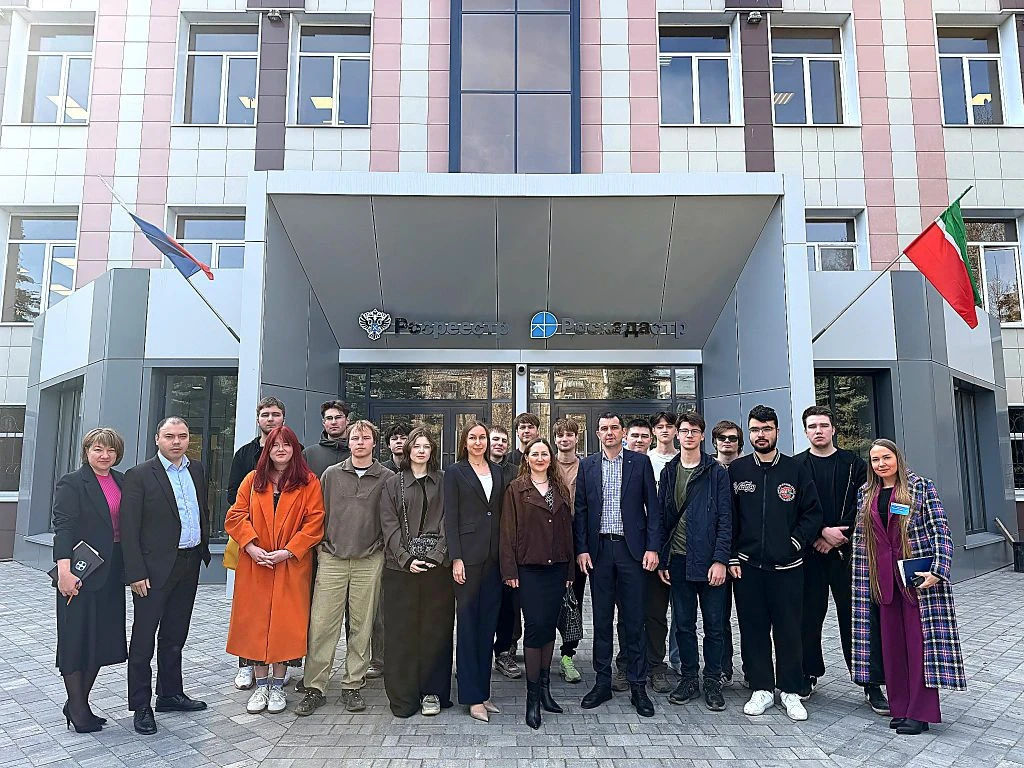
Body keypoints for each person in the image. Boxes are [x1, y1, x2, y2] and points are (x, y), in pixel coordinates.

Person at [851, 439, 966, 735]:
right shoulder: (866, 493)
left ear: (897, 458)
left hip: (916, 579)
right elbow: (862, 538)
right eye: (875, 460)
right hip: (882, 580)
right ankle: (900, 708)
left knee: (919, 647)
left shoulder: (921, 487)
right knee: (892, 648)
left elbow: (940, 530)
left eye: (886, 457)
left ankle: (921, 712)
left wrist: (938, 569)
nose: (881, 464)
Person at [728, 405, 822, 722]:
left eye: (767, 429)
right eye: (755, 429)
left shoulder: (796, 470)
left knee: (789, 630)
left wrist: (794, 544)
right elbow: (729, 517)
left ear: (777, 432)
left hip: (788, 569)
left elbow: (812, 514)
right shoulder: (738, 470)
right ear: (749, 432)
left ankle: (790, 690)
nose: (761, 435)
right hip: (748, 567)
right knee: (753, 629)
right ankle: (762, 688)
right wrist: (732, 554)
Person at [121, 417, 212, 735]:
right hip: (152, 570)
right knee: (144, 638)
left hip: (188, 562)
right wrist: (135, 571)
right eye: (170, 436)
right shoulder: (139, 475)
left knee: (175, 635)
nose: (177, 441)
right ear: (157, 439)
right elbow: (129, 528)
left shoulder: (196, 469)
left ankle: (170, 694)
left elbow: (201, 509)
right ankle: (141, 704)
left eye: (182, 436)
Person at [225, 426, 325, 715]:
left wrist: (289, 551)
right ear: (267, 450)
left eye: (287, 445)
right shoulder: (252, 480)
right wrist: (251, 546)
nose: (281, 450)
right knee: (255, 623)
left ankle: (278, 685)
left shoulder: (308, 482)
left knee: (284, 623)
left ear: (295, 449)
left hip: (290, 564)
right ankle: (260, 686)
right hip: (256, 563)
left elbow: (315, 522)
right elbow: (236, 516)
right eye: (275, 445)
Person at [295, 420, 392, 716]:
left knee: (362, 625)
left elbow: (390, 519)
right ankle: (315, 686)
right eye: (355, 438)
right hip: (332, 559)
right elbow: (317, 514)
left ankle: (352, 685)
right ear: (347, 443)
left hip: (369, 560)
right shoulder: (331, 474)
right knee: (322, 624)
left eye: (365, 438)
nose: (360, 443)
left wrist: (379, 549)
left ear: (374, 442)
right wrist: (322, 547)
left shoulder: (387, 478)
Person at [795, 406, 888, 714]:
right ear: (805, 431)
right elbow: (794, 510)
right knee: (808, 616)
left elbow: (865, 504)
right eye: (812, 426)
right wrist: (819, 533)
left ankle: (869, 681)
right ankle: (808, 673)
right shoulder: (796, 466)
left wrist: (840, 534)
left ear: (833, 429)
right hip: (810, 554)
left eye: (823, 425)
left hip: (848, 554)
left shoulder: (855, 465)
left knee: (857, 617)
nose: (818, 430)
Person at [574, 412, 662, 717]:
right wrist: (582, 549)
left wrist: (653, 547)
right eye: (604, 428)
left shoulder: (640, 463)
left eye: (614, 428)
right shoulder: (588, 465)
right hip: (599, 552)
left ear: (623, 432)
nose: (609, 432)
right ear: (597, 434)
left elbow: (653, 508)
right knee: (601, 621)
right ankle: (602, 683)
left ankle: (638, 685)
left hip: (631, 552)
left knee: (634, 620)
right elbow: (581, 510)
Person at [52, 428, 128, 733]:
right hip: (80, 574)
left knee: (100, 640)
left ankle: (77, 704)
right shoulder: (72, 483)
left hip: (112, 573)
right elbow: (63, 527)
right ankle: (79, 709)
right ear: (87, 451)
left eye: (110, 450)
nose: (104, 455)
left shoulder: (122, 481)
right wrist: (64, 570)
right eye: (98, 449)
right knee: (75, 640)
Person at [657, 411, 732, 711]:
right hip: (678, 560)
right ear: (677, 435)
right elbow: (662, 519)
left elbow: (726, 520)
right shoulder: (669, 472)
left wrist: (721, 560)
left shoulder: (716, 473)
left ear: (702, 436)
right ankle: (689, 678)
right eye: (684, 431)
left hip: (710, 562)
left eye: (694, 431)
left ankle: (712, 680)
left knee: (714, 626)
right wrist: (663, 560)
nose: (689, 436)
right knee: (684, 626)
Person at [379, 427, 455, 718]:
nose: (421, 451)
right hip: (400, 569)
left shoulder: (445, 482)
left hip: (437, 569)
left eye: (426, 446)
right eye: (417, 446)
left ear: (432, 451)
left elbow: (450, 521)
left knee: (435, 632)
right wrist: (406, 558)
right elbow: (389, 524)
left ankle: (432, 691)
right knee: (401, 632)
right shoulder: (392, 483)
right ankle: (404, 696)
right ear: (408, 450)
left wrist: (437, 555)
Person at [501, 437, 575, 729]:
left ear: (551, 458)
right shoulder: (516, 489)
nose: (540, 458)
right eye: (535, 454)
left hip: (557, 568)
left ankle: (545, 690)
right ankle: (532, 698)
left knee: (549, 628)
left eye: (545, 453)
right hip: (528, 569)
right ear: (527, 458)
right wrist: (510, 569)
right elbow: (508, 532)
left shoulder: (559, 488)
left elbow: (568, 532)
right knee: (534, 628)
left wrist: (570, 571)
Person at [444, 421, 504, 722]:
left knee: (487, 626)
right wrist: (456, 558)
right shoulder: (455, 472)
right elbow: (450, 518)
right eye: (473, 437)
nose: (479, 442)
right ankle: (471, 696)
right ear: (464, 442)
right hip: (467, 558)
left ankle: (484, 691)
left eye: (483, 437)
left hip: (495, 558)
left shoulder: (498, 471)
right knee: (468, 626)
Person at [226, 396, 286, 692]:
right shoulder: (244, 455)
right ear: (258, 418)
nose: (270, 419)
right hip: (251, 542)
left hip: (283, 548)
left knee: (282, 610)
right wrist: (252, 538)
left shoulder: (296, 452)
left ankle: (279, 664)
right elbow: (232, 498)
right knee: (250, 609)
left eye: (275, 414)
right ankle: (246, 665)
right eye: (265, 414)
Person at [613, 416, 671, 693]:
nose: (639, 440)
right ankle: (626, 664)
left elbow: (659, 514)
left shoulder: (662, 466)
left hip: (655, 551)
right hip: (626, 552)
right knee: (626, 613)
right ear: (626, 437)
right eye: (634, 435)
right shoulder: (617, 465)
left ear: (651, 439)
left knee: (656, 613)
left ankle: (656, 666)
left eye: (644, 436)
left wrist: (656, 549)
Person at [494, 414, 539, 677]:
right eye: (522, 427)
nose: (498, 444)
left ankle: (507, 650)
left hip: (518, 542)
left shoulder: (516, 469)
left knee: (513, 601)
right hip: (487, 544)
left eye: (530, 427)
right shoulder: (486, 467)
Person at [712, 419, 744, 686]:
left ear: (739, 443)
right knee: (718, 617)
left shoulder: (750, 470)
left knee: (750, 617)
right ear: (714, 442)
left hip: (746, 556)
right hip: (719, 555)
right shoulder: (709, 470)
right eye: (722, 438)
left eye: (732, 438)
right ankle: (723, 669)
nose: (727, 442)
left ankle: (754, 670)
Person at [648, 411, 681, 675]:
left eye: (670, 426)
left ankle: (679, 661)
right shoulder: (645, 462)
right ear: (654, 431)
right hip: (654, 543)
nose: (665, 430)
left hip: (682, 544)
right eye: (660, 427)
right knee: (655, 611)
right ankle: (654, 661)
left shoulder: (687, 459)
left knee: (682, 612)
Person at [552, 418, 584, 684]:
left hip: (577, 541)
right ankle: (541, 652)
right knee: (547, 601)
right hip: (548, 541)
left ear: (577, 438)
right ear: (555, 439)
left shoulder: (587, 467)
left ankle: (567, 655)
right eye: (560, 435)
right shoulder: (545, 464)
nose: (564, 439)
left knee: (574, 601)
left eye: (569, 434)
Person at [302, 400, 352, 478]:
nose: (333, 422)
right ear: (323, 422)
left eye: (338, 417)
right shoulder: (308, 454)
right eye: (329, 418)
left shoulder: (358, 452)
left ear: (347, 420)